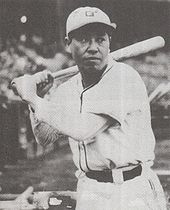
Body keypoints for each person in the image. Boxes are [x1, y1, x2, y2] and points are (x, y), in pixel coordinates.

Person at [12, 6, 167, 210]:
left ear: (109, 42)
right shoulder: (70, 88)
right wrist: (36, 99)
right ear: (68, 44)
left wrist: (31, 95)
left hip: (131, 189)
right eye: (84, 39)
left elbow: (83, 129)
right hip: (90, 189)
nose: (93, 47)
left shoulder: (123, 78)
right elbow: (44, 137)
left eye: (100, 39)